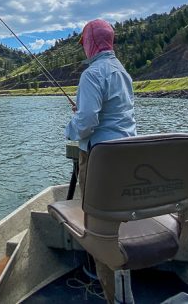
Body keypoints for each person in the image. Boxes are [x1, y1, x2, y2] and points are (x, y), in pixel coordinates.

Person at [65, 18, 137, 303]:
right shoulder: (122, 72)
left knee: (99, 231)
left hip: (100, 161)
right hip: (126, 159)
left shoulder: (92, 74)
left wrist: (71, 125)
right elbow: (114, 114)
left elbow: (86, 124)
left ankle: (114, 297)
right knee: (116, 226)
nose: (84, 48)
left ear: (90, 43)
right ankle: (125, 290)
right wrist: (83, 110)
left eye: (84, 43)